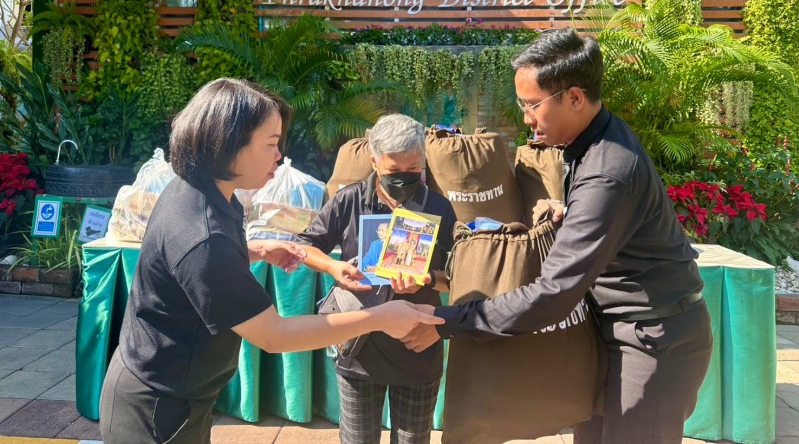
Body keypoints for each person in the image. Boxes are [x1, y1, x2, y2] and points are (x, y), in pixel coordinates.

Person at [403, 29, 713, 444]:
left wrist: (447, 321)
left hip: (652, 338)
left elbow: (553, 294)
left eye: (532, 105)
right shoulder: (593, 140)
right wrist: (571, 214)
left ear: (574, 97)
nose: (526, 118)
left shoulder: (607, 172)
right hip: (616, 330)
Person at [99, 79, 443, 444]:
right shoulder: (203, 236)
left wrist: (256, 250)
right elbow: (274, 335)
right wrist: (380, 318)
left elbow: (188, 262)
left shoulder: (205, 192)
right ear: (229, 144)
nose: (279, 155)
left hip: (178, 392)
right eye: (271, 143)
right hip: (156, 406)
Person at [296, 114, 457, 444]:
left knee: (413, 439)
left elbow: (457, 277)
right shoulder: (350, 200)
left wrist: (427, 279)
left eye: (413, 169)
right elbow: (304, 247)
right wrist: (334, 268)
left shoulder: (438, 207)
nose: (404, 178)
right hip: (359, 346)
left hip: (417, 345)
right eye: (394, 170)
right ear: (374, 161)